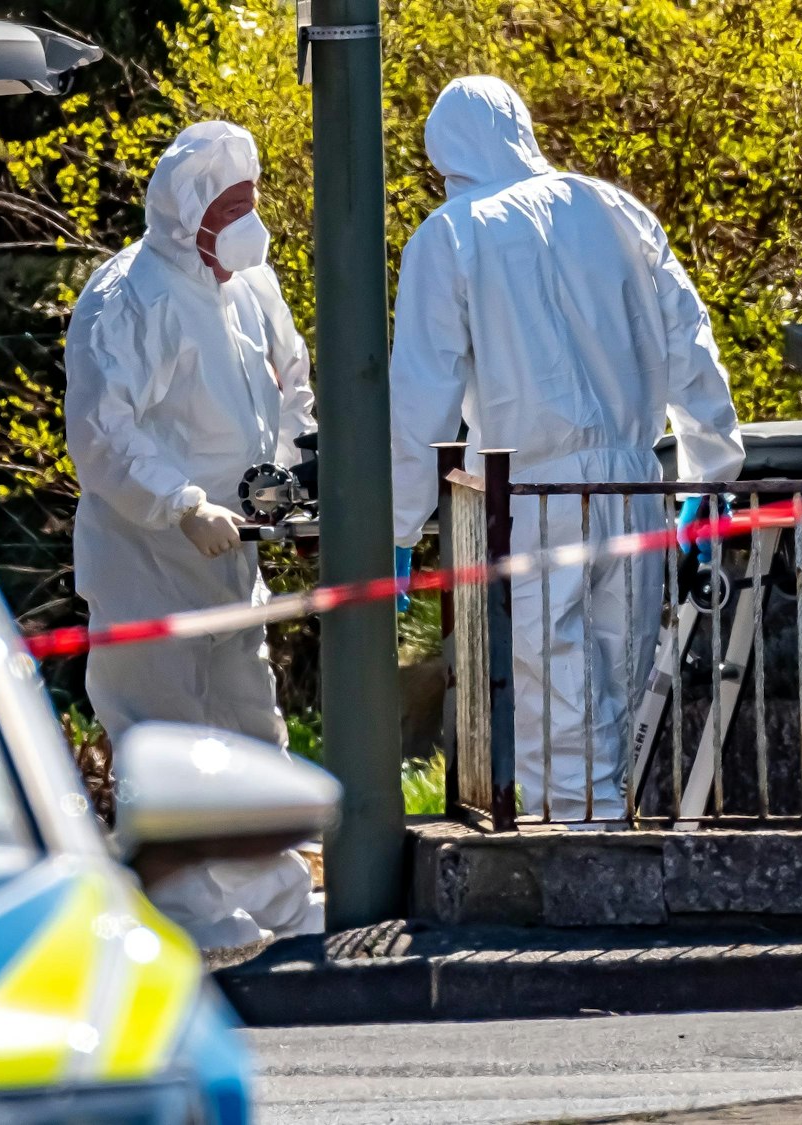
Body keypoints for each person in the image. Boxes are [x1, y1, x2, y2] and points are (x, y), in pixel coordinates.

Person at [390, 76, 745, 819]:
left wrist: (394, 526)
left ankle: (576, 865)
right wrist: (709, 481)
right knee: (623, 676)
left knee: (557, 689)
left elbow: (418, 402)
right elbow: (693, 352)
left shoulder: (453, 234)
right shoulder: (616, 210)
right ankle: (610, 845)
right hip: (636, 482)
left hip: (533, 493)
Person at [64, 121, 322, 951]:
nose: (249, 217)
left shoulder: (250, 284)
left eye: (251, 198)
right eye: (231, 204)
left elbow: (291, 382)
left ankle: (277, 895)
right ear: (189, 213)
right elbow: (104, 431)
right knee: (161, 727)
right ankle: (180, 907)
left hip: (230, 545)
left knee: (247, 720)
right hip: (145, 549)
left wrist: (282, 481)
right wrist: (180, 504)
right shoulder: (128, 297)